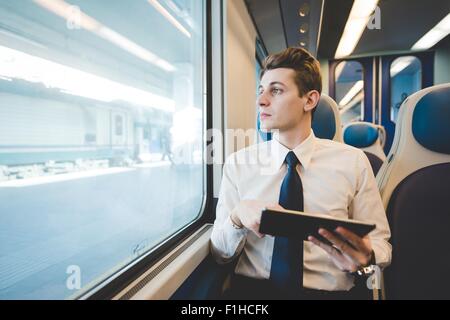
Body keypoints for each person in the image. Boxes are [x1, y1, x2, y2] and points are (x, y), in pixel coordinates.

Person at [210, 47, 391, 300]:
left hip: (330, 294)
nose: (261, 101)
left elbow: (381, 245)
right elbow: (220, 253)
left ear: (310, 100)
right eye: (260, 91)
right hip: (254, 295)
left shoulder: (353, 163)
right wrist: (237, 218)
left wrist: (366, 257)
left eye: (276, 90)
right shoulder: (238, 164)